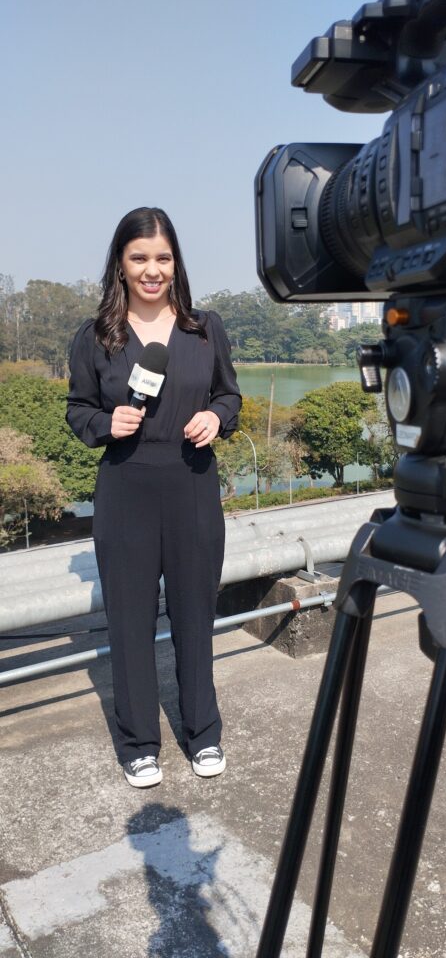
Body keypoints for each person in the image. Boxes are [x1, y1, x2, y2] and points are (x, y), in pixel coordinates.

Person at [67, 206, 241, 788]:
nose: (152, 270)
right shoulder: (96, 337)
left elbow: (230, 396)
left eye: (163, 258)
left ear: (176, 263)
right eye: (139, 257)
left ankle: (204, 733)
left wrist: (216, 417)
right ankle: (139, 743)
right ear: (120, 263)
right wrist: (104, 423)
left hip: (193, 485)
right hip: (126, 488)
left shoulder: (204, 327)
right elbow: (78, 409)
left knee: (195, 615)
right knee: (129, 622)